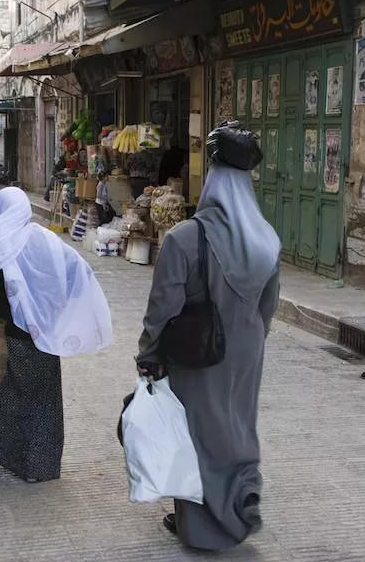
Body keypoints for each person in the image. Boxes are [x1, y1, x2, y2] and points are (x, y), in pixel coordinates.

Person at [135, 140, 281, 551]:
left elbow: (161, 308)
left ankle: (205, 526)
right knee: (239, 423)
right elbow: (268, 307)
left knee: (198, 433)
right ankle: (242, 495)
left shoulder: (185, 238)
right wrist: (250, 343)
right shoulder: (265, 239)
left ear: (212, 182)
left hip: (199, 353)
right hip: (248, 349)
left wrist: (149, 354)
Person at [0, 187, 113, 483]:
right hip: (37, 340)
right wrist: (48, 309)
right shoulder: (46, 241)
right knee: (40, 405)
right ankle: (39, 468)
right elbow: (78, 274)